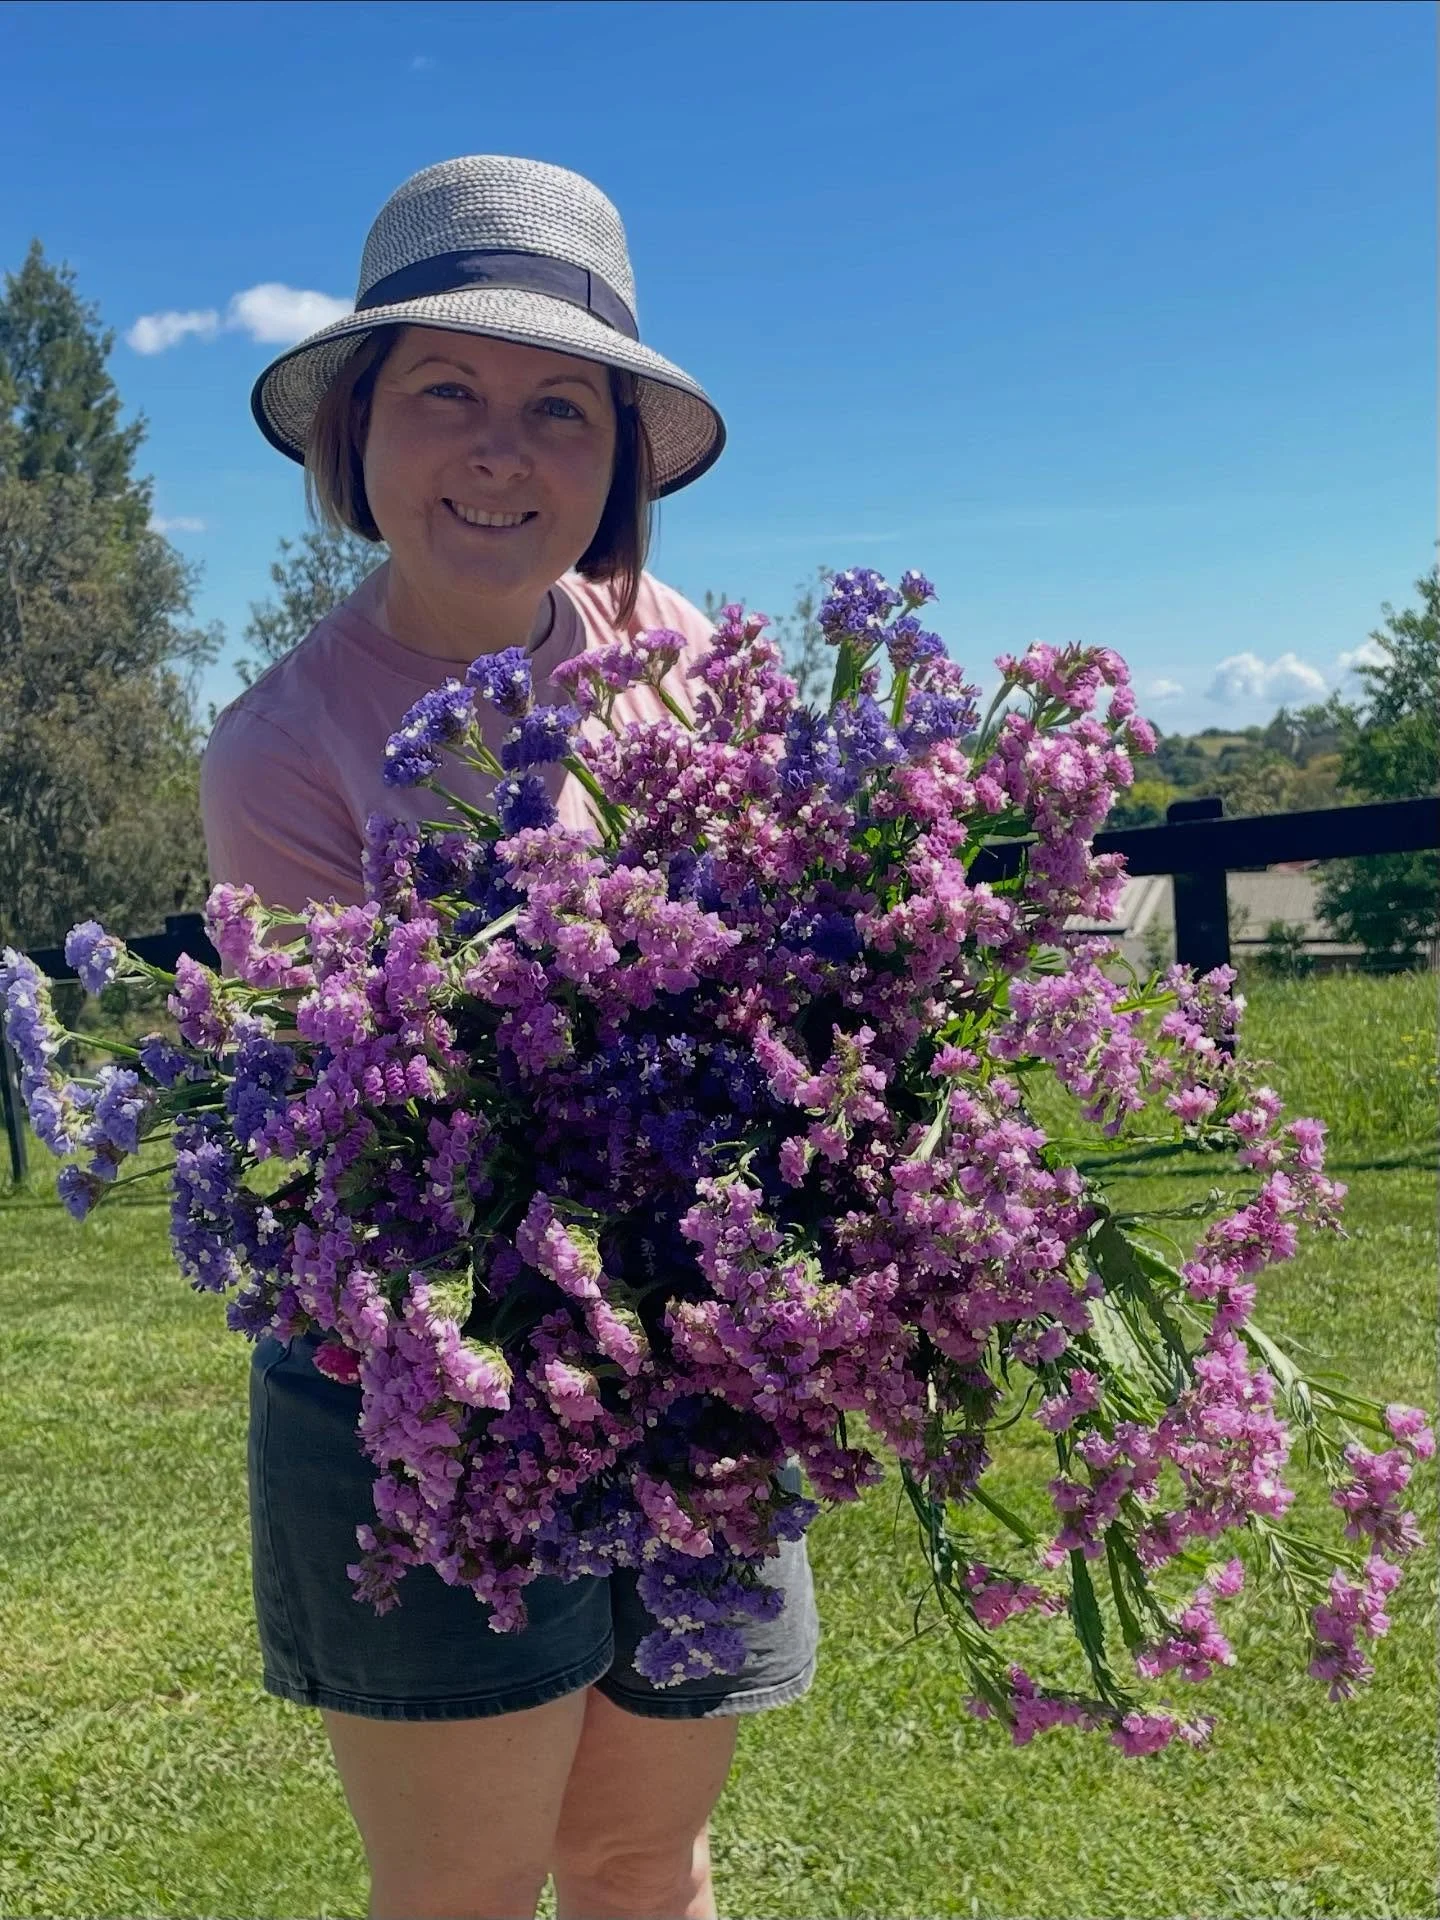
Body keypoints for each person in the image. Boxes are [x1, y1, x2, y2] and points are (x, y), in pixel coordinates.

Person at [198, 155, 820, 1920]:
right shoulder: (285, 747)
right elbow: (375, 1139)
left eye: (560, 406)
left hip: (697, 1360)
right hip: (428, 1381)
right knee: (460, 1891)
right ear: (357, 435)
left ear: (618, 459)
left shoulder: (683, 656)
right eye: (444, 392)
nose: (500, 450)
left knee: (643, 1861)